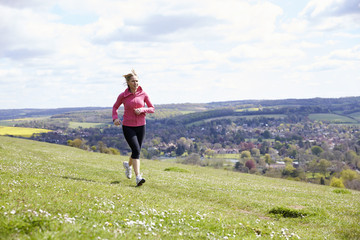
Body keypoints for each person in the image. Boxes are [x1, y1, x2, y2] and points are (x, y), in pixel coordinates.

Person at [112, 70, 155, 186]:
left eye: (137, 81)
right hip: (128, 126)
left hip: (141, 126)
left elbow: (152, 108)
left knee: (136, 151)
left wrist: (142, 110)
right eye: (133, 81)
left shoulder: (144, 94)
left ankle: (128, 165)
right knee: (136, 150)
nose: (136, 83)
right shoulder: (123, 95)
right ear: (128, 82)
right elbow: (115, 107)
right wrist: (115, 118)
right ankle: (138, 177)